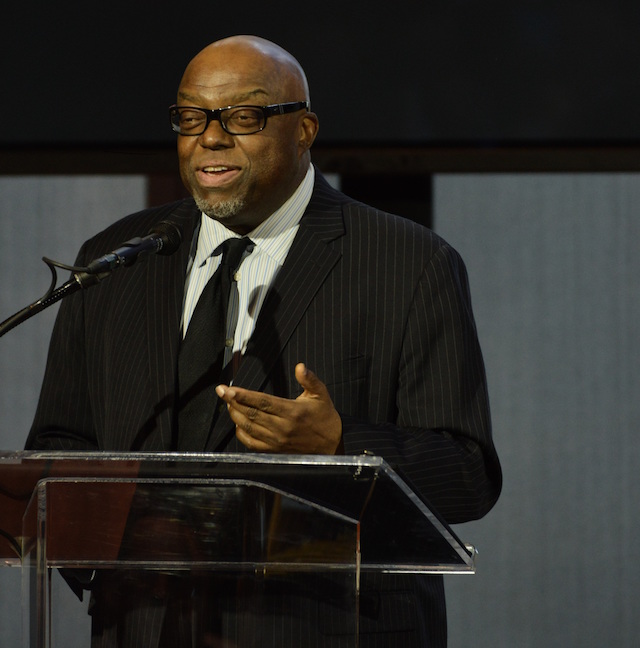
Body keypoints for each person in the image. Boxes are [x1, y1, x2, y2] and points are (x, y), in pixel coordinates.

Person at [27, 35, 501, 647]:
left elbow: (467, 475)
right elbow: (58, 445)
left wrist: (337, 442)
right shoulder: (115, 261)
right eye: (191, 117)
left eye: (243, 117)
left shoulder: (408, 263)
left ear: (304, 130)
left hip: (330, 627)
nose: (211, 137)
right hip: (146, 624)